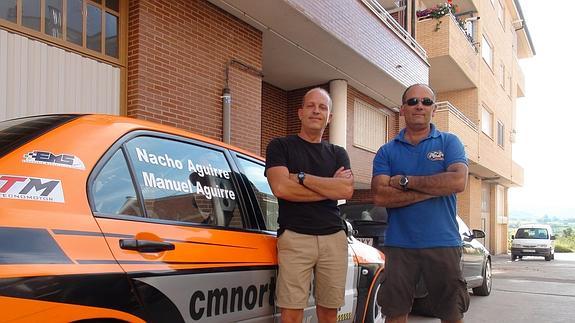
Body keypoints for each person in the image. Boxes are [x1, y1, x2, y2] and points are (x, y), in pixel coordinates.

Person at [371, 84, 470, 323]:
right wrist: (433, 190)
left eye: (426, 102)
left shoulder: (449, 142)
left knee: (451, 314)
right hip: (399, 245)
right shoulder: (386, 151)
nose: (419, 106)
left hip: (443, 243)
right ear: (403, 109)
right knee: (395, 313)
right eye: (413, 101)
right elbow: (381, 197)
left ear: (434, 109)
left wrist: (406, 181)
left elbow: (458, 181)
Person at [265, 87, 354, 323]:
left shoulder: (338, 153)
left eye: (323, 107)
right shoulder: (280, 146)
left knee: (329, 312)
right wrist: (329, 188)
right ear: (300, 112)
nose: (316, 111)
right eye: (311, 106)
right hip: (295, 237)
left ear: (330, 117)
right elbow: (281, 188)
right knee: (291, 312)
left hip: (333, 238)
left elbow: (345, 190)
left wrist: (302, 178)